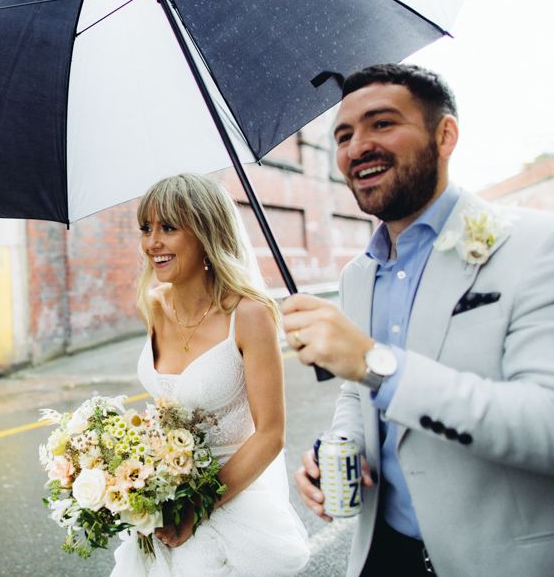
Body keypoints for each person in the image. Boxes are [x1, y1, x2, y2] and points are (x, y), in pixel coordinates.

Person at [283, 64, 554, 577]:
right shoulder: (357, 276)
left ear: (444, 135)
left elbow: (546, 424)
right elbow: (355, 392)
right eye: (343, 135)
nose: (357, 146)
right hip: (382, 554)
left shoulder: (536, 245)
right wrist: (340, 448)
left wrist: (374, 364)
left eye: (381, 124)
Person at [112, 173, 310, 576]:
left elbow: (270, 434)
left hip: (233, 497)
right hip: (165, 502)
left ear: (206, 232)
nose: (153, 243)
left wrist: (195, 507)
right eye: (146, 228)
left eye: (169, 227)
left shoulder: (249, 315)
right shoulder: (152, 308)